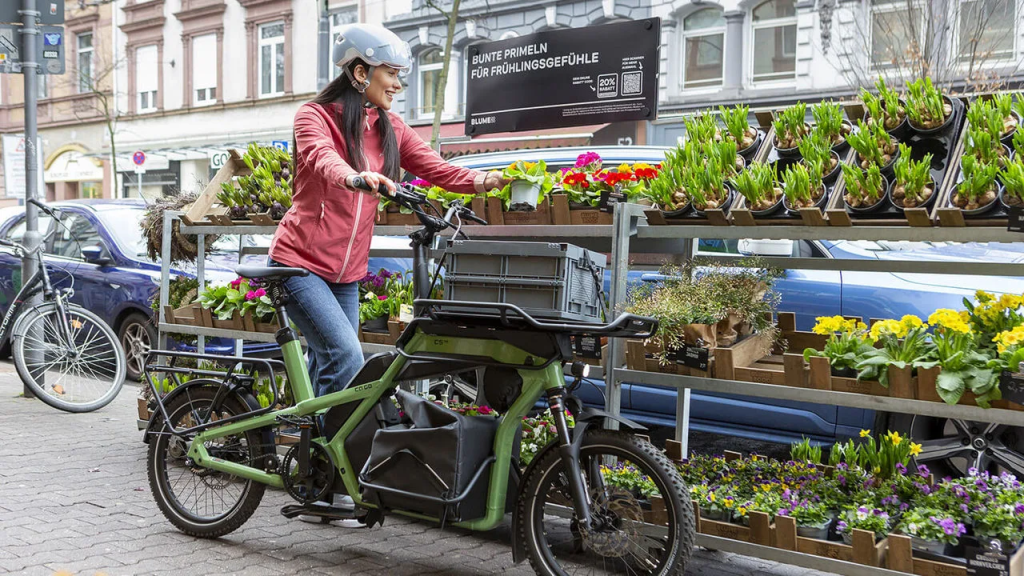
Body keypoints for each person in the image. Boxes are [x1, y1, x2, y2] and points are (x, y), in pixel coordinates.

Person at [269, 24, 506, 401]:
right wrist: (353, 176)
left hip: (345, 275)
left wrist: (488, 180)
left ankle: (313, 449)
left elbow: (438, 168)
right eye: (391, 74)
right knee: (346, 356)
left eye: (399, 76)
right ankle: (330, 452)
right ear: (361, 72)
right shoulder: (313, 116)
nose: (397, 85)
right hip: (298, 265)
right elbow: (321, 156)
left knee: (332, 363)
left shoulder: (390, 127)